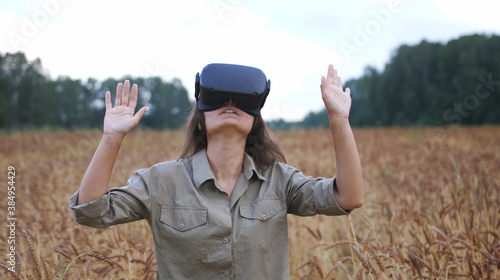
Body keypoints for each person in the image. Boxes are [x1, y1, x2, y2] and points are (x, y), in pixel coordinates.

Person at [70, 63, 364, 280]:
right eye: (220, 100)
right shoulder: (161, 182)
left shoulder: (279, 180)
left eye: (241, 102)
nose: (231, 104)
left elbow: (348, 197)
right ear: (199, 121)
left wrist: (339, 120)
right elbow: (90, 210)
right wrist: (112, 138)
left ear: (254, 124)